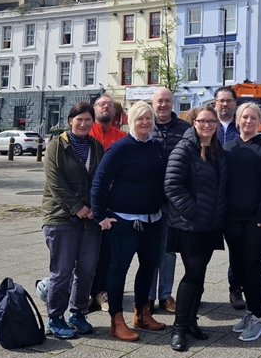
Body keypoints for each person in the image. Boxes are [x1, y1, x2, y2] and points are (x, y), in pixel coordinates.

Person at [90, 100, 167, 342]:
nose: (145, 122)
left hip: (153, 219)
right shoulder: (120, 148)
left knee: (148, 267)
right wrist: (100, 216)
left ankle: (142, 313)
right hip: (124, 221)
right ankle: (116, 320)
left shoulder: (157, 147)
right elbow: (99, 183)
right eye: (140, 118)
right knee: (118, 270)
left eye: (149, 118)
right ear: (130, 121)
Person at [165, 105, 229, 351]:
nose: (207, 126)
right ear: (193, 122)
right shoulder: (185, 148)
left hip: (211, 225)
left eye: (212, 122)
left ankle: (191, 321)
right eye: (203, 121)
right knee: (192, 275)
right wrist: (194, 211)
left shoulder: (216, 149)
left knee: (200, 274)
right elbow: (172, 185)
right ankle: (178, 329)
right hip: (189, 225)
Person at [42, 102, 104, 339]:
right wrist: (78, 207)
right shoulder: (56, 146)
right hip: (61, 217)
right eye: (79, 119)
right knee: (62, 270)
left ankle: (77, 313)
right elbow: (55, 182)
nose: (84, 123)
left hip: (89, 218)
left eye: (88, 119)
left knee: (87, 269)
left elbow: (100, 180)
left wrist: (93, 209)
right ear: (70, 121)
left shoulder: (96, 147)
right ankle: (55, 316)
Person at [224, 103, 261, 342]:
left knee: (252, 264)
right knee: (239, 265)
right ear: (238, 120)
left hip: (259, 219)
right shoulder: (227, 148)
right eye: (245, 117)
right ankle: (249, 312)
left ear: (260, 121)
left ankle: (258, 317)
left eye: (254, 117)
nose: (249, 121)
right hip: (232, 219)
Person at [147, 87, 191, 313]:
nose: (163, 105)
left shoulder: (185, 129)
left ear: (173, 103)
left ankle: (165, 295)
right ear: (152, 104)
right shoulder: (144, 124)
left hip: (173, 201)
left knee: (168, 250)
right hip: (146, 199)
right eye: (159, 101)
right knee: (147, 250)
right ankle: (147, 297)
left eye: (167, 101)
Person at [89, 95, 127, 312]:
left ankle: (102, 291)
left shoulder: (121, 137)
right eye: (102, 104)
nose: (106, 107)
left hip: (112, 203)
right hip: (87, 201)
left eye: (110, 105)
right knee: (85, 251)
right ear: (94, 109)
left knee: (108, 252)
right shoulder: (86, 132)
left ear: (114, 112)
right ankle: (85, 291)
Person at [213, 86, 244, 309]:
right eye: (221, 101)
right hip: (210, 199)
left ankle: (236, 289)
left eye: (229, 101)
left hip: (234, 200)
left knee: (237, 248)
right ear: (215, 103)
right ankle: (197, 291)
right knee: (201, 248)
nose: (225, 104)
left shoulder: (241, 128)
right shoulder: (206, 126)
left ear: (235, 104)